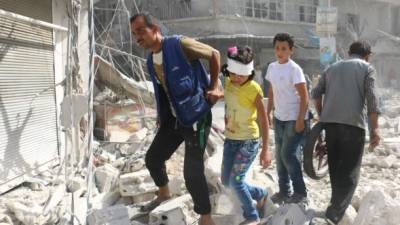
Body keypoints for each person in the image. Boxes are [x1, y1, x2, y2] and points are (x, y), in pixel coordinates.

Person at [130, 12, 220, 225]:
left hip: (197, 115)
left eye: (141, 31)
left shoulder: (179, 45)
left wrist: (214, 86)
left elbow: (215, 54)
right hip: (174, 119)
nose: (138, 37)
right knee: (153, 158)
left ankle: (206, 217)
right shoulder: (151, 60)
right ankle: (163, 193)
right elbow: (162, 91)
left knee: (191, 172)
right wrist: (162, 118)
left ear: (155, 30)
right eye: (134, 34)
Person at [312, 40, 381, 224]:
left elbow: (316, 94)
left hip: (330, 124)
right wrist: (375, 129)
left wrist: (322, 115)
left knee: (336, 168)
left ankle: (334, 206)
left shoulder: (331, 68)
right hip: (353, 125)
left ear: (349, 52)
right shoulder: (367, 68)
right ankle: (334, 215)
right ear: (367, 55)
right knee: (350, 172)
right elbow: (372, 100)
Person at [219, 46, 272, 225]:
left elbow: (264, 121)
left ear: (248, 73)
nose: (236, 78)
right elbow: (225, 95)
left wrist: (265, 150)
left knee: (236, 181)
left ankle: (252, 216)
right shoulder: (227, 81)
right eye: (233, 74)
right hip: (230, 140)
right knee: (226, 181)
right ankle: (260, 194)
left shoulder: (254, 89)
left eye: (241, 75)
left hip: (248, 141)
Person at [265, 33, 309, 205]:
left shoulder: (294, 69)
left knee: (288, 154)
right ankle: (284, 191)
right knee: (279, 155)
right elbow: (271, 91)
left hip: (294, 118)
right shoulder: (272, 68)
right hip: (279, 117)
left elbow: (304, 97)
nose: (279, 51)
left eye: (284, 48)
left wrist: (300, 120)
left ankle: (300, 192)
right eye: (277, 48)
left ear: (291, 50)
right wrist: (268, 112)